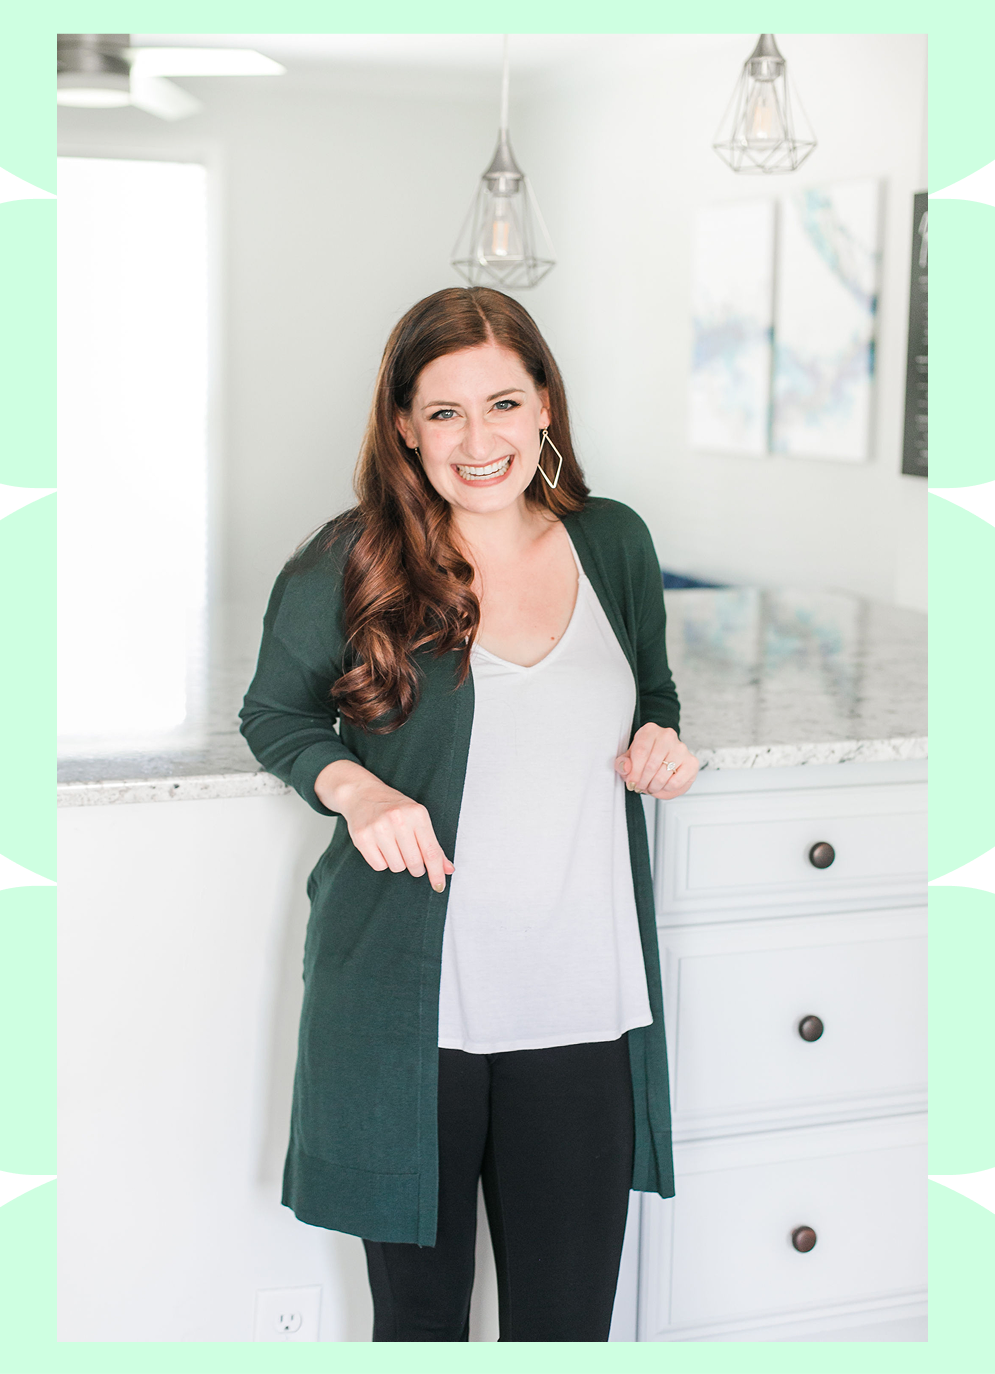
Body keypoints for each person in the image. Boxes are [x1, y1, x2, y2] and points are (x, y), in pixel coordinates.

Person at [239, 286, 700, 1342]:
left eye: (503, 402)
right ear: (404, 424)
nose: (477, 439)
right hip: (408, 1016)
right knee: (419, 1329)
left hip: (582, 1000)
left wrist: (661, 741)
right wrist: (356, 788)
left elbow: (653, 691)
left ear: (545, 405)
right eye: (444, 412)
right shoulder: (350, 561)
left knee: (566, 1331)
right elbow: (275, 712)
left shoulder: (613, 545)